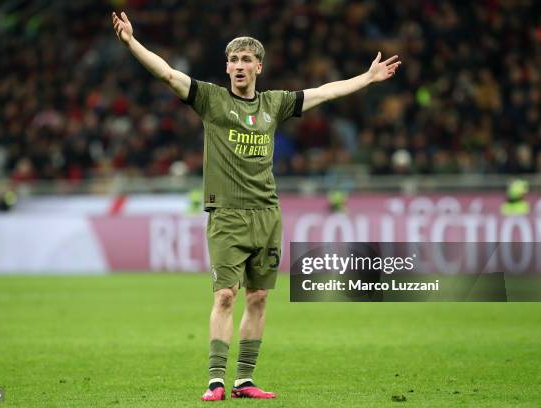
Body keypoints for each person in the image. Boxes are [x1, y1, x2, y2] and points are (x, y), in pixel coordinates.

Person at [112, 10, 401, 401]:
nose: (239, 66)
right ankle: (216, 381)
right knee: (225, 295)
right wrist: (132, 43)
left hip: (267, 214)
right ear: (227, 68)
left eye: (246, 60)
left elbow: (324, 91)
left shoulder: (274, 104)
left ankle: (244, 380)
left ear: (258, 67)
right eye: (233, 60)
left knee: (259, 297)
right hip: (227, 214)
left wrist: (366, 79)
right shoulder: (211, 100)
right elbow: (167, 73)